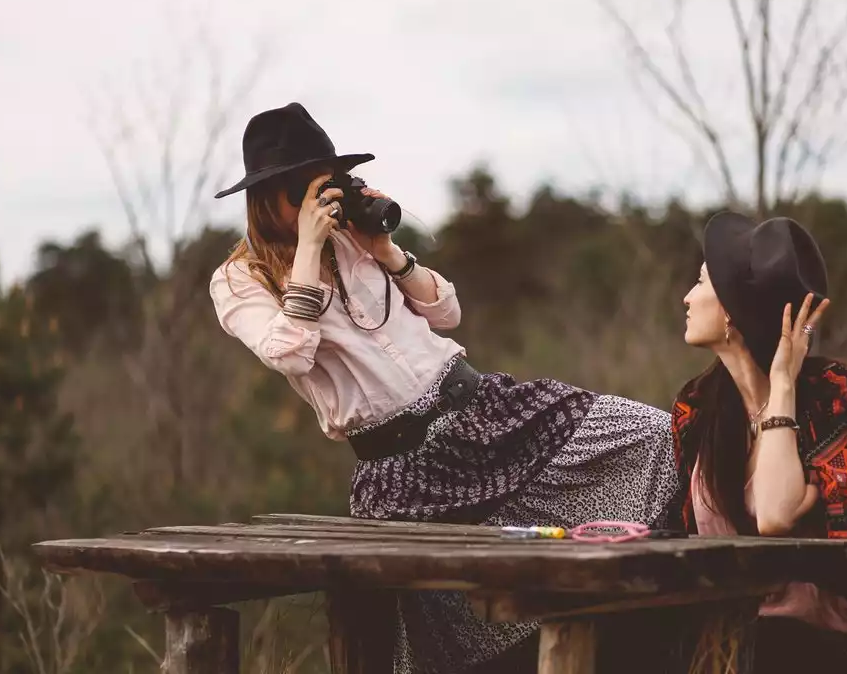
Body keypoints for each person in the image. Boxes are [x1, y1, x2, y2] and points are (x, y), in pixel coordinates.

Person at [208, 102, 681, 673]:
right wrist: (308, 251)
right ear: (268, 197)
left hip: (482, 406)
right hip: (405, 462)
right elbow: (290, 351)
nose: (322, 203)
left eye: (327, 186)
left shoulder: (355, 239)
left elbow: (447, 310)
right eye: (306, 193)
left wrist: (384, 249)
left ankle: (679, 624)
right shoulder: (240, 278)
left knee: (655, 433)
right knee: (447, 630)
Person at [671, 212, 847, 674]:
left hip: (821, 652)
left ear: (731, 309)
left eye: (700, 282)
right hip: (725, 644)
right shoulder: (698, 411)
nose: (687, 297)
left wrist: (782, 388)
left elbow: (774, 515)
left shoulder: (834, 397)